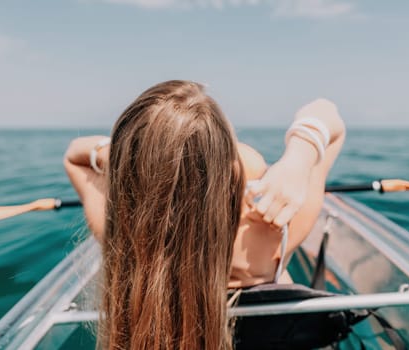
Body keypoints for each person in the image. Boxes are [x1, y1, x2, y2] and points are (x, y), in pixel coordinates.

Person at [64, 80, 345, 349]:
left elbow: (74, 157)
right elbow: (326, 112)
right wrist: (298, 158)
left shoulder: (121, 235)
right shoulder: (270, 231)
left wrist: (132, 154)